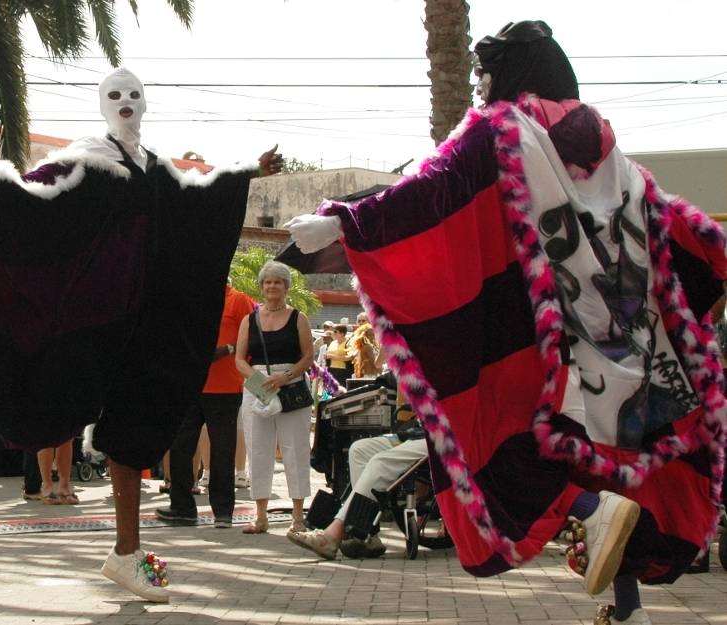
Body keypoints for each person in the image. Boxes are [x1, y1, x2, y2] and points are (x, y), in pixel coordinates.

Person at [286, 21, 726, 625]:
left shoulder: (503, 127)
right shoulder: (612, 156)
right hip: (628, 352)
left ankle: (592, 516)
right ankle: (630, 612)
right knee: (613, 456)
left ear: (511, 75)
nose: (481, 87)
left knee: (502, 447)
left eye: (486, 74)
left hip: (537, 347)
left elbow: (435, 190)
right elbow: (671, 223)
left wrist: (347, 223)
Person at [0, 67, 283, 603]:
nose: (125, 101)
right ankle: (91, 518)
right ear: (103, 104)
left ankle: (127, 552)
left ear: (145, 103)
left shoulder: (155, 168)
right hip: (90, 318)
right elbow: (38, 194)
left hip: (146, 323)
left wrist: (246, 173)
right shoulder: (87, 157)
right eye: (115, 95)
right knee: (61, 398)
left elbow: (199, 199)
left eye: (134, 95)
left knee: (137, 425)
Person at [155, 284, 252, 527]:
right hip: (188, 386)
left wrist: (227, 349)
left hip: (225, 388)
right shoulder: (190, 298)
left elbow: (251, 340)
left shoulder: (238, 300)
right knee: (179, 446)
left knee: (222, 450)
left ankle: (222, 512)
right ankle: (182, 507)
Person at [235, 261, 314, 535]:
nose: (272, 287)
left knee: (295, 451)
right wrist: (260, 385)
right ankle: (260, 516)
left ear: (285, 287)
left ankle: (298, 516)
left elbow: (308, 357)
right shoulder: (250, 320)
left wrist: (284, 377)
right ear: (261, 286)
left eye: (277, 282)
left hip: (291, 387)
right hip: (258, 388)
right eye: (267, 282)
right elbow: (240, 359)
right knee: (258, 450)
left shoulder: (298, 318)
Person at [289, 431, 427, 560]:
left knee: (379, 462)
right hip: (420, 432)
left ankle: (332, 535)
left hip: (442, 438)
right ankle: (368, 533)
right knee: (359, 449)